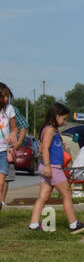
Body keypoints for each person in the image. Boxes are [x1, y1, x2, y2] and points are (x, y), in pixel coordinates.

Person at [26, 102, 84, 234]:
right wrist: (48, 166)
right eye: (64, 118)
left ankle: (34, 224)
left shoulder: (50, 130)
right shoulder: (50, 130)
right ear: (56, 116)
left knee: (43, 196)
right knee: (66, 193)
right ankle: (73, 224)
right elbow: (44, 148)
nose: (65, 121)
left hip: (49, 166)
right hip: (53, 167)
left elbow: (43, 147)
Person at [0, 82, 27, 216]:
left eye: (8, 97)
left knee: (2, 183)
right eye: (3, 96)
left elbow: (22, 126)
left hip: (4, 150)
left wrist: (17, 141)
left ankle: (2, 204)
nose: (6, 99)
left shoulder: (11, 109)